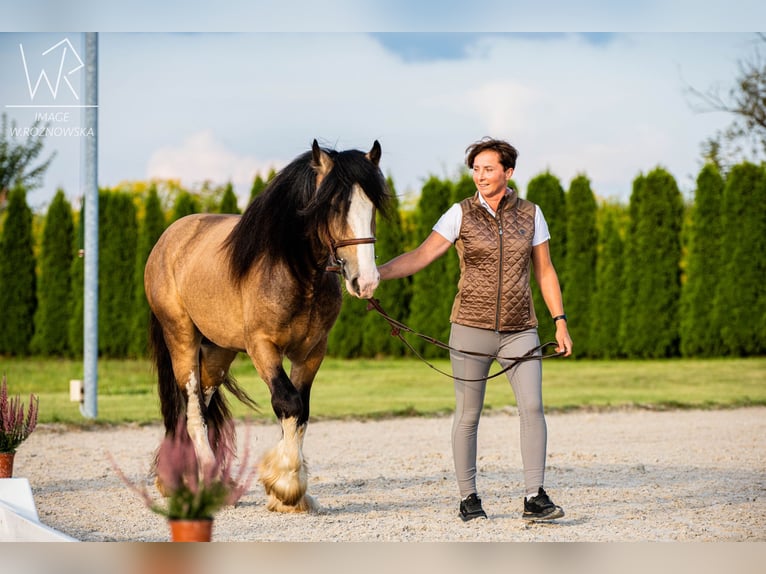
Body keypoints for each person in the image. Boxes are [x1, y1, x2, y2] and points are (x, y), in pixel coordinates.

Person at [377, 137, 572, 522]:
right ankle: (469, 498)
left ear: (508, 172)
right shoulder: (459, 213)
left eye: (488, 168)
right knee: (468, 414)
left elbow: (544, 270)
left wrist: (560, 321)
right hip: (469, 327)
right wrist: (376, 274)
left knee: (532, 407)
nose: (479, 176)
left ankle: (534, 497)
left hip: (521, 330)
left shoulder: (532, 214)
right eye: (475, 169)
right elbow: (422, 254)